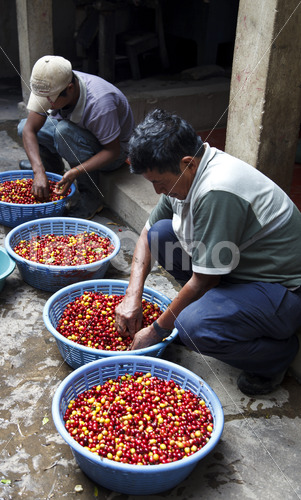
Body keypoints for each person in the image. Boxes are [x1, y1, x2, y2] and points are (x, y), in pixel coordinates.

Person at [115, 108, 301, 396]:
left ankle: (275, 357)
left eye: (159, 182)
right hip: (238, 272)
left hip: (282, 293)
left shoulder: (217, 190)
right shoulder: (188, 176)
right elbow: (145, 234)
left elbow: (204, 280)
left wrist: (157, 330)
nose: (156, 192)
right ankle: (211, 313)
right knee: (160, 234)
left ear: (187, 163)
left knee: (191, 326)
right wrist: (132, 298)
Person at [18, 55, 134, 219]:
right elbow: (29, 129)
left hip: (113, 153)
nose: (45, 104)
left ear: (70, 89)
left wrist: (75, 172)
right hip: (77, 135)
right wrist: (38, 171)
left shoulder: (100, 103)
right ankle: (52, 173)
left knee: (64, 132)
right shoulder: (52, 82)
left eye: (49, 100)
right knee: (23, 126)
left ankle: (91, 197)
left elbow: (112, 151)